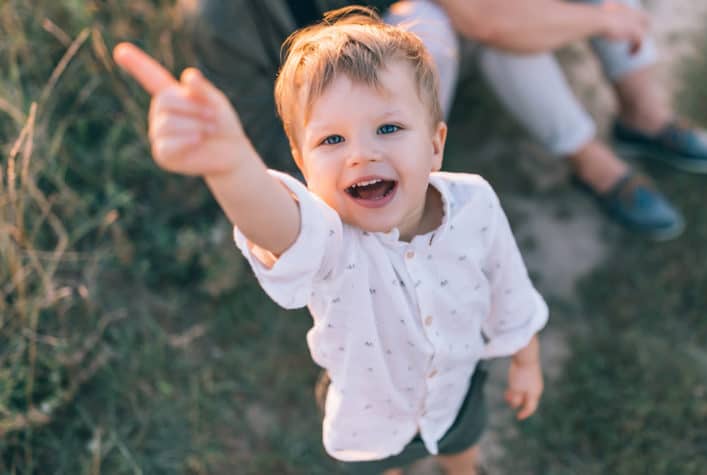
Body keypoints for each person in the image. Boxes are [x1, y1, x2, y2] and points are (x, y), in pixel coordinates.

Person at [113, 6, 548, 474]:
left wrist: (525, 357)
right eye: (332, 140)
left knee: (462, 444)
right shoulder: (330, 241)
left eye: (388, 128)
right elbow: (270, 219)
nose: (362, 153)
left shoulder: (475, 203)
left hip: (458, 389)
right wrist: (231, 165)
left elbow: (508, 283)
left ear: (436, 144)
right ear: (301, 164)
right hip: (372, 422)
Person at [187, 0, 707, 241]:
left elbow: (489, 16)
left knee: (492, 27)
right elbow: (260, 148)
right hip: (330, 152)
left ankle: (636, 126)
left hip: (429, 72)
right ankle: (395, 206)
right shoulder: (221, 15)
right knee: (466, 28)